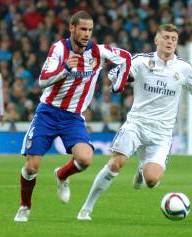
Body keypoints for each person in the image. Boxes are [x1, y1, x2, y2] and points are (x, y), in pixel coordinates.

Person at [77, 24, 192, 221]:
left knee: (151, 180)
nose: (170, 42)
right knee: (116, 163)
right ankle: (86, 208)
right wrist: (126, 77)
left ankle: (142, 171)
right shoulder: (141, 61)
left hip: (162, 133)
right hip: (137, 124)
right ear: (156, 40)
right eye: (166, 37)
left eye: (173, 39)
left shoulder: (183, 68)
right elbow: (113, 74)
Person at [13, 10, 131, 222]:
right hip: (47, 113)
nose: (87, 34)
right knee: (32, 167)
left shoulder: (98, 52)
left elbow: (125, 57)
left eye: (90, 30)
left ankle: (61, 175)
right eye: (83, 29)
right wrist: (65, 69)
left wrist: (119, 84)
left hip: (73, 117)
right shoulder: (58, 49)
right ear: (72, 28)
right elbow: (42, 81)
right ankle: (25, 206)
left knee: (85, 159)